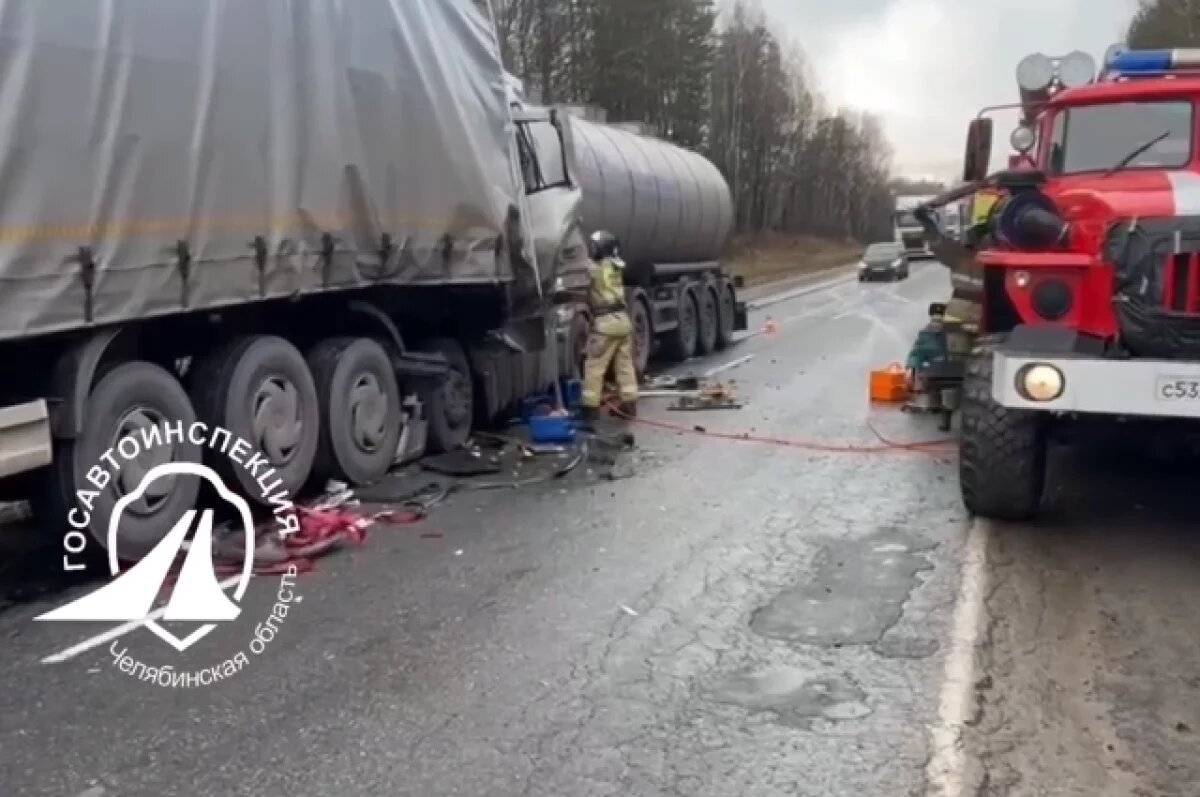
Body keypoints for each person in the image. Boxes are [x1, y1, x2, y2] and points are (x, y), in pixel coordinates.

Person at [579, 230, 638, 421]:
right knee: (625, 365)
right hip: (623, 320)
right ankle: (629, 404)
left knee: (594, 366)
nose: (591, 250)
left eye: (594, 246)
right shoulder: (615, 265)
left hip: (605, 323)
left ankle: (590, 409)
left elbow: (582, 274)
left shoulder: (594, 268)